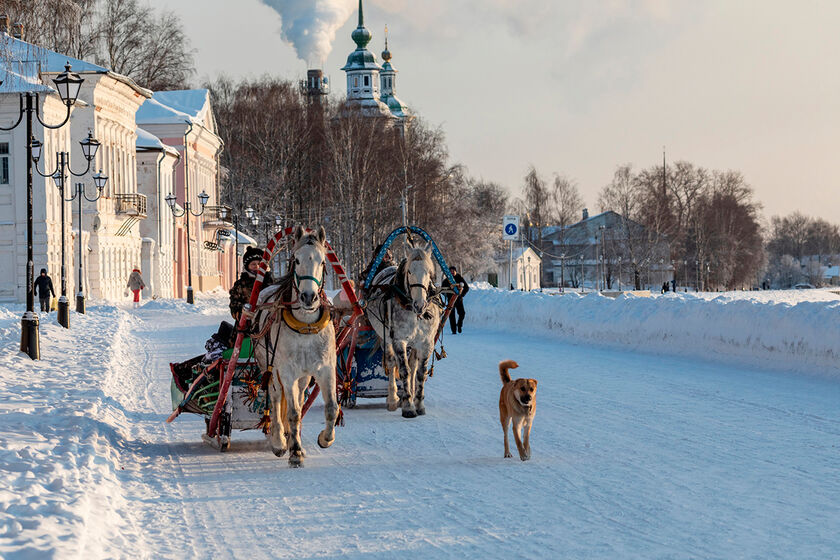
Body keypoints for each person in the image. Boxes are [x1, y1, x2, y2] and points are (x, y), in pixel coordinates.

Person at [229, 246, 272, 320]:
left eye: (259, 264)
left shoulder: (269, 281)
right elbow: (234, 303)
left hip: (267, 318)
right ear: (247, 266)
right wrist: (241, 313)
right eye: (253, 264)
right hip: (247, 320)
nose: (257, 266)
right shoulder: (241, 284)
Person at [442, 265, 469, 334]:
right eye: (450, 271)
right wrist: (447, 295)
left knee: (462, 313)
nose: (452, 272)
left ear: (456, 271)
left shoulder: (460, 278)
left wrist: (462, 295)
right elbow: (443, 290)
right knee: (451, 315)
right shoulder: (446, 280)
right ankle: (453, 330)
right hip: (451, 300)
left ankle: (459, 325)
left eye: (453, 271)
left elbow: (466, 288)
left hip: (459, 299)